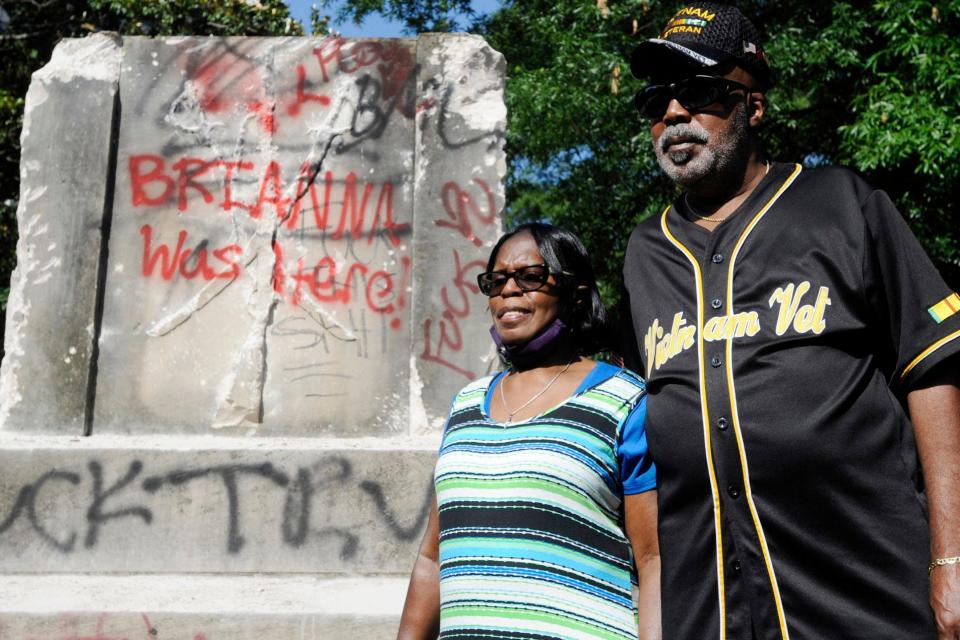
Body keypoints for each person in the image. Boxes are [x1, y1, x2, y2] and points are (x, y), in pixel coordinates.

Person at [621, 2, 960, 639]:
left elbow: (934, 368)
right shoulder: (646, 250)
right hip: (711, 608)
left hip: (863, 596)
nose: (673, 113)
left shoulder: (841, 203)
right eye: (658, 99)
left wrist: (953, 560)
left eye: (700, 93)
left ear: (754, 105)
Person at [397, 222, 661, 640]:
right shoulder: (466, 403)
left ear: (575, 294)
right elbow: (432, 558)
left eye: (530, 277)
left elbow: (652, 560)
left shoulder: (624, 400)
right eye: (496, 280)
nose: (508, 290)